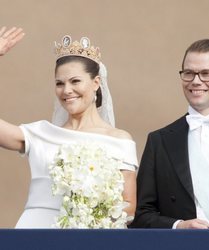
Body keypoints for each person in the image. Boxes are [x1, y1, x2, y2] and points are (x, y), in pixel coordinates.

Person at [0, 26, 138, 228]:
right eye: (59, 83)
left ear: (96, 83)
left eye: (75, 81)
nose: (67, 90)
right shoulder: (40, 133)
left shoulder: (119, 140)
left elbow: (128, 209)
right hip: (33, 232)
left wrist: (87, 216)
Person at [130, 38, 209, 229]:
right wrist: (178, 226)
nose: (196, 81)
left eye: (206, 74)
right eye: (189, 73)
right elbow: (141, 216)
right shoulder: (159, 141)